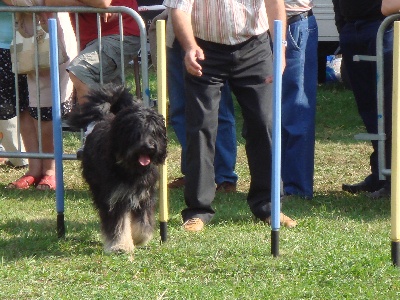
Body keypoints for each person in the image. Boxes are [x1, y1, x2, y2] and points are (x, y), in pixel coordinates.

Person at [163, 0, 297, 231]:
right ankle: (198, 211)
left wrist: (281, 49)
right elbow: (178, 9)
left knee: (265, 123)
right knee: (201, 128)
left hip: (255, 47)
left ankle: (269, 205)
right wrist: (189, 47)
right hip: (204, 49)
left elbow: (275, 4)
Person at [148, 9, 238, 193]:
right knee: (180, 110)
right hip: (176, 34)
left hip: (211, 38)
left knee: (219, 109)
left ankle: (224, 177)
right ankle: (195, 172)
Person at [5, 0, 77, 190]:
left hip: (52, 35)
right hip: (19, 39)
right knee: (23, 107)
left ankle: (51, 171)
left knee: (48, 108)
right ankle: (34, 169)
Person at [333, 0, 393, 198]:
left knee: (389, 108)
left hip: (384, 25)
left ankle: (393, 180)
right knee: (368, 108)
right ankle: (379, 174)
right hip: (352, 28)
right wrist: (343, 27)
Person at [45, 0, 141, 105]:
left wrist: (95, 5)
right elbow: (50, 2)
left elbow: (102, 2)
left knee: (80, 71)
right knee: (113, 99)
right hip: (93, 39)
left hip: (121, 33)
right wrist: (90, 6)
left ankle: (93, 121)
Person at [281, 0, 318, 199]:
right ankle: (278, 183)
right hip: (265, 27)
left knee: (297, 109)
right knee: (271, 109)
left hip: (293, 24)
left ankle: (296, 188)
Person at [0, 0, 29, 168]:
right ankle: (16, 155)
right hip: (7, 45)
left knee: (15, 104)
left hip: (26, 45)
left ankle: (20, 157)